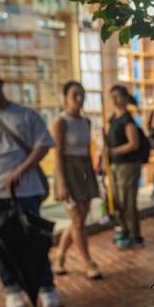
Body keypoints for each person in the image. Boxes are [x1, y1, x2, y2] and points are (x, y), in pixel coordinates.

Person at [0, 64, 60, 307]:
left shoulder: (26, 114)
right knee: (0, 243)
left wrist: (20, 171)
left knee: (34, 239)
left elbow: (43, 146)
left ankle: (46, 286)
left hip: (25, 189)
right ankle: (12, 289)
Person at [51, 81, 102, 279]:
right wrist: (62, 183)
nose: (79, 99)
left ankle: (59, 256)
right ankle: (88, 262)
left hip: (84, 170)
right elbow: (57, 155)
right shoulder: (60, 122)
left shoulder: (86, 121)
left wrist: (93, 175)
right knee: (78, 221)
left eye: (82, 94)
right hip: (67, 171)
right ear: (65, 97)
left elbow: (87, 151)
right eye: (74, 95)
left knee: (79, 220)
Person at [104, 84, 143, 249]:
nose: (114, 99)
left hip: (128, 166)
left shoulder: (128, 119)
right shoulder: (113, 118)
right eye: (112, 96)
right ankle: (125, 230)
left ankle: (135, 236)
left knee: (128, 201)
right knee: (117, 201)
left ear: (125, 98)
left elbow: (134, 144)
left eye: (117, 96)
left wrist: (112, 151)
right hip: (116, 165)